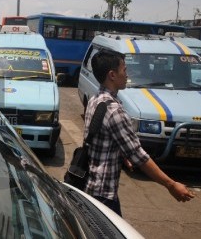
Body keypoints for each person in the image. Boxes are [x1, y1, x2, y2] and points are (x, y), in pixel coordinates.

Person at [84, 49, 195, 216]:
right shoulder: (114, 111)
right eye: (125, 70)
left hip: (92, 185)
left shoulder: (95, 100)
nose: (127, 74)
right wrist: (171, 185)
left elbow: (100, 138)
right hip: (103, 193)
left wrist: (121, 155)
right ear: (112, 75)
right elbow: (139, 156)